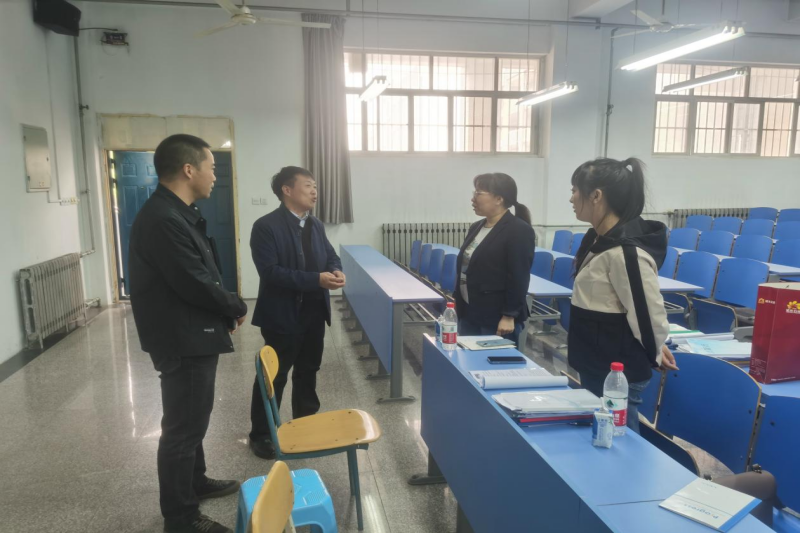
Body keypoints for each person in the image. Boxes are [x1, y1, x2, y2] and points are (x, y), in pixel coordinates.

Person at [128, 134, 248, 533]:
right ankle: (180, 518)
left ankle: (195, 481)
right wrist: (234, 305)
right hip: (182, 337)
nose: (215, 176)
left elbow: (200, 274)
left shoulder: (176, 212)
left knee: (192, 417)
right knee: (183, 429)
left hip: (190, 330)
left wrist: (223, 308)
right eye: (211, 168)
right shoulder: (164, 219)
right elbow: (193, 281)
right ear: (188, 169)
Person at [567, 157, 678, 434]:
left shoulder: (625, 252)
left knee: (619, 442)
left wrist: (654, 349)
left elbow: (648, 313)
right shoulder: (597, 239)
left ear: (596, 195)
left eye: (575, 190)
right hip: (596, 362)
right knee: (603, 437)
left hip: (616, 374)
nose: (571, 198)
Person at [249, 166, 345, 459]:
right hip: (282, 315)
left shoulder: (314, 224)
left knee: (308, 371)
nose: (314, 192)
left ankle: (306, 424)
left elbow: (330, 255)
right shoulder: (266, 226)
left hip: (314, 312)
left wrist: (335, 270)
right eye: (308, 186)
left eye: (315, 186)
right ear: (287, 190)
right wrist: (316, 279)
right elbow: (270, 272)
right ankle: (262, 434)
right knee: (275, 376)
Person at [454, 173, 536, 347]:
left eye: (478, 193)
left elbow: (519, 276)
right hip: (469, 311)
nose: (473, 198)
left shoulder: (518, 230)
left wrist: (509, 315)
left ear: (499, 199)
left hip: (496, 317)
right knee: (469, 360)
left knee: (494, 362)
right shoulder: (477, 227)